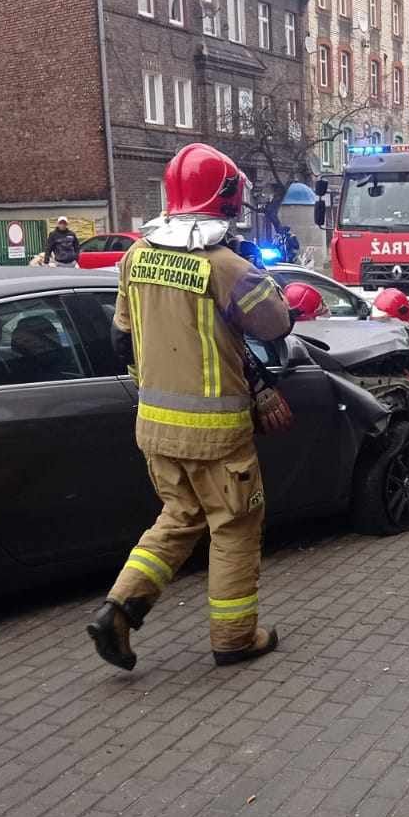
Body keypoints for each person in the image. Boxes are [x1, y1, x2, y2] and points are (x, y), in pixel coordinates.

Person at [87, 145, 293, 672]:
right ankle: (234, 637)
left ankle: (118, 609)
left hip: (155, 427)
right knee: (234, 527)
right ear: (225, 201)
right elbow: (276, 326)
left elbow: (121, 338)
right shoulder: (227, 267)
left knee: (178, 517)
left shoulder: (135, 257)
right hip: (217, 435)